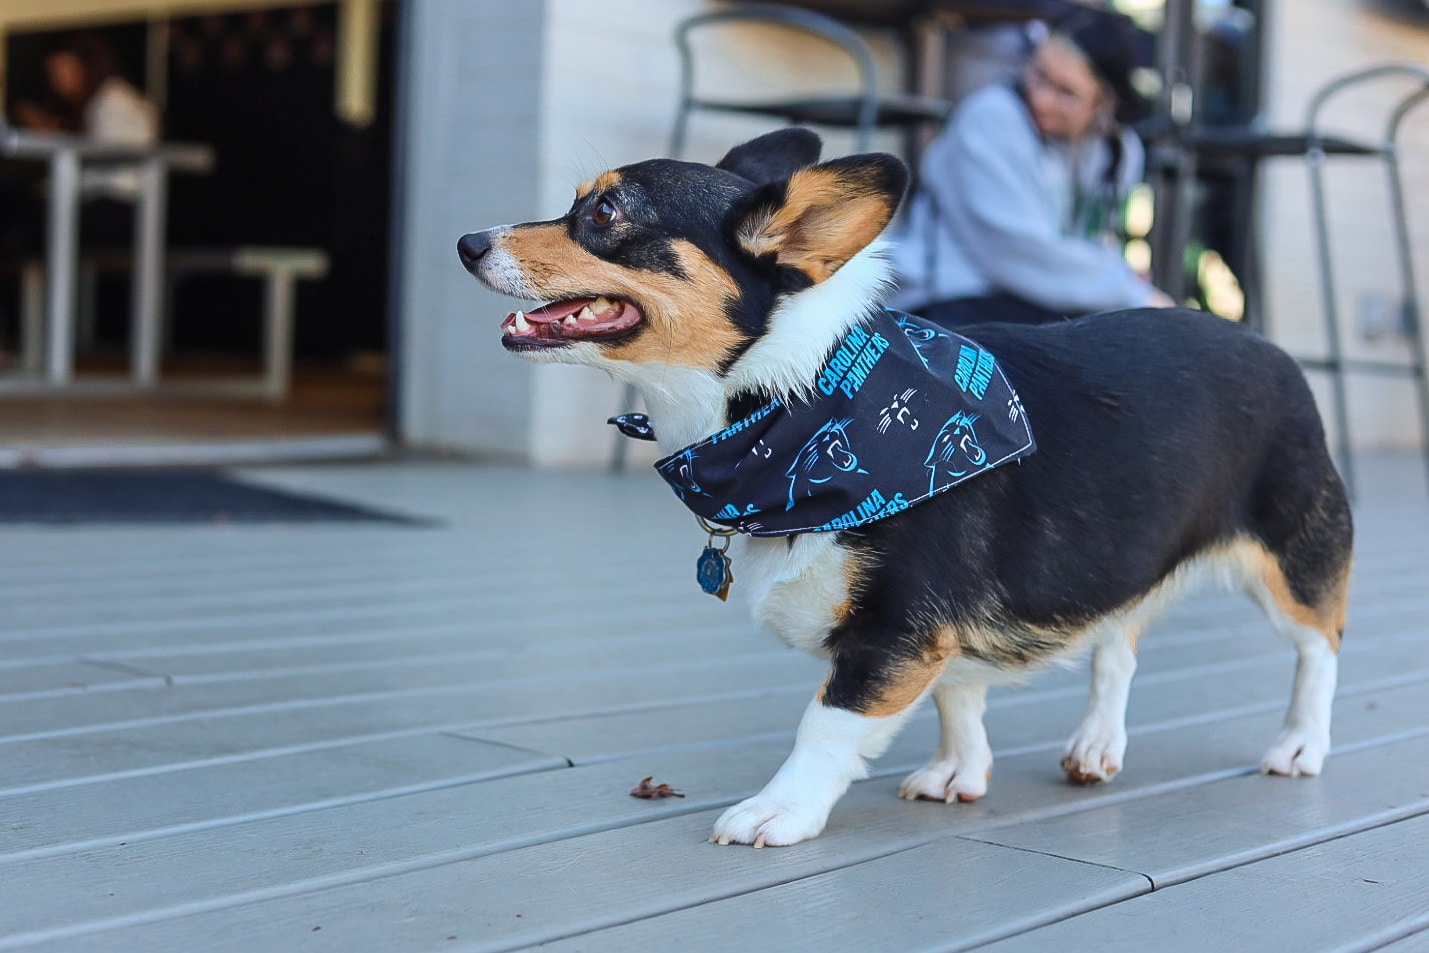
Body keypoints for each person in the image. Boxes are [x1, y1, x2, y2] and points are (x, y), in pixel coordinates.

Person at [889, 11, 1174, 326]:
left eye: (1066, 93)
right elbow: (1021, 255)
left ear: (1106, 104)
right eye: (1039, 73)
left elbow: (1092, 242)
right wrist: (1127, 290)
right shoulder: (989, 119)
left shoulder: (1120, 150)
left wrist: (1117, 276)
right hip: (947, 303)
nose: (1041, 100)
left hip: (1035, 303)